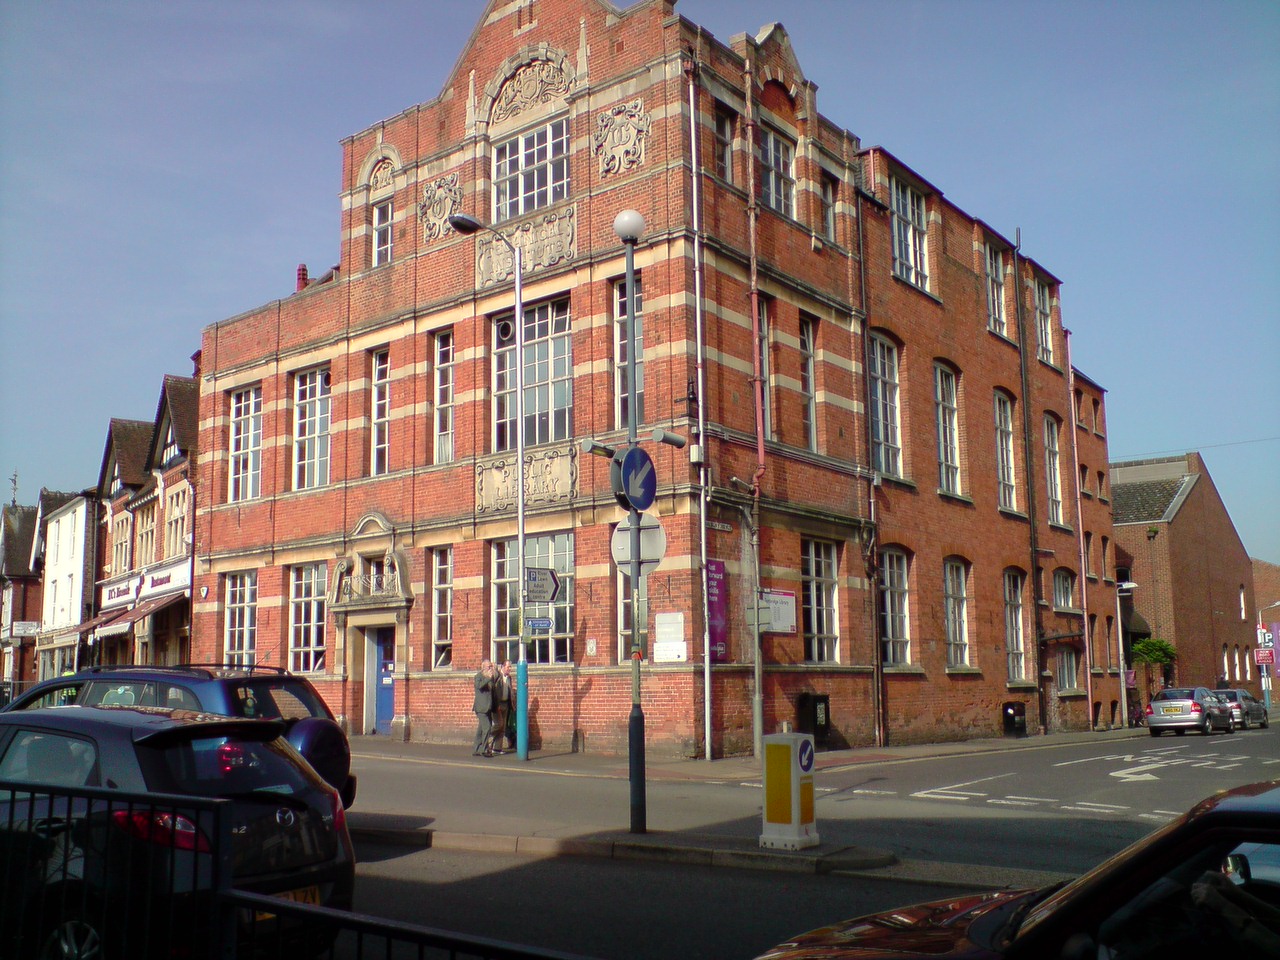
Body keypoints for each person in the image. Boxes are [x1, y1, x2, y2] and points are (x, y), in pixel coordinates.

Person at [472, 659, 497, 757]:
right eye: (488, 667)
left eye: (491, 666)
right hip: (481, 708)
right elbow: (479, 686)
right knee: (487, 728)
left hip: (488, 707)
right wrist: (488, 678)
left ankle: (476, 749)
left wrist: (495, 672)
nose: (490, 668)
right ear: (483, 667)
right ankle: (485, 749)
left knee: (481, 729)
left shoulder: (490, 678)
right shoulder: (479, 676)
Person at [492, 661, 516, 753]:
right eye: (508, 667)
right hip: (498, 704)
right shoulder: (497, 676)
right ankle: (487, 736)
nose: (509, 669)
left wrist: (512, 703)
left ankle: (497, 748)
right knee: (499, 724)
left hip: (506, 704)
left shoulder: (509, 678)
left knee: (503, 727)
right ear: (502, 666)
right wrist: (496, 704)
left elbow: (510, 691)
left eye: (510, 667)